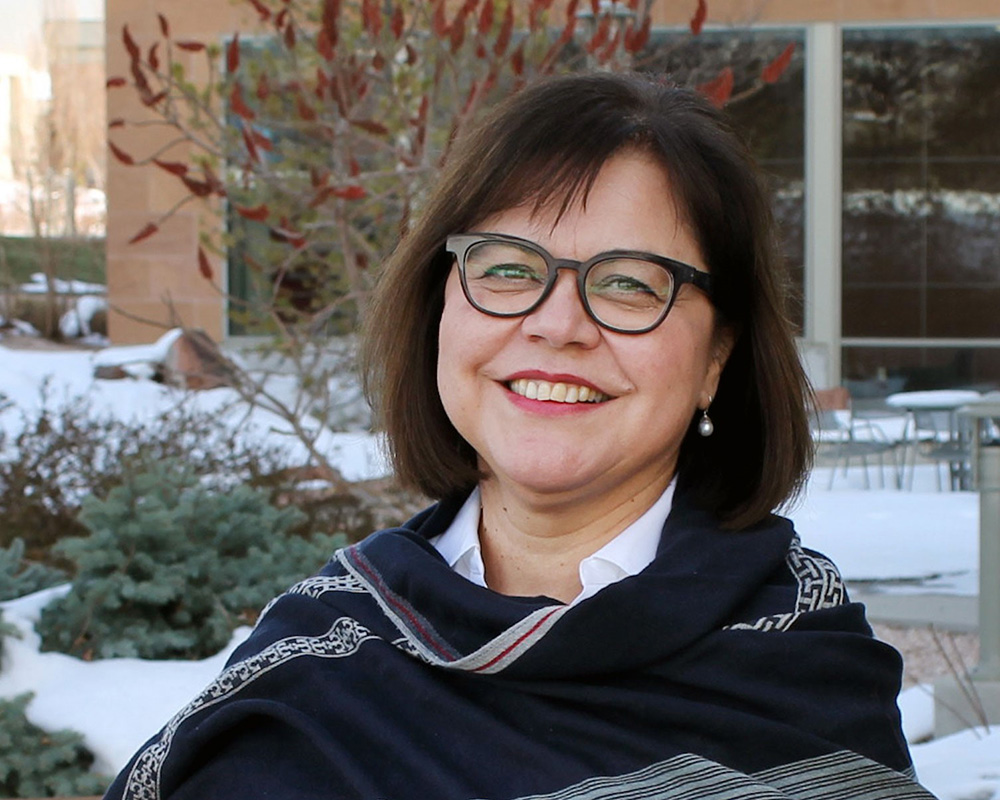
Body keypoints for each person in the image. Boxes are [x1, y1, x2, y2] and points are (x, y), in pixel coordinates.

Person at [104, 72, 933, 800]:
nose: (557, 324)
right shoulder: (317, 661)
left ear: (718, 355)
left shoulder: (801, 680)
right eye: (506, 267)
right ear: (440, 311)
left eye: (629, 283)